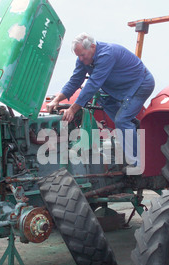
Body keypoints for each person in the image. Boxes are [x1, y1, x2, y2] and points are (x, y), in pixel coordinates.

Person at [47, 33, 155, 173]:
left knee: (121, 120)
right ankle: (132, 126)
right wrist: (56, 100)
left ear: (92, 47)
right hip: (118, 90)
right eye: (78, 56)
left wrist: (73, 110)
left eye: (83, 55)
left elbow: (93, 84)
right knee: (103, 99)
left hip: (140, 84)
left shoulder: (107, 54)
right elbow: (75, 81)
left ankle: (138, 164)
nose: (80, 59)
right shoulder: (83, 60)